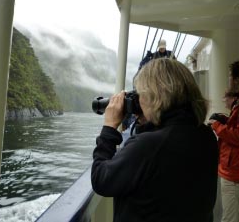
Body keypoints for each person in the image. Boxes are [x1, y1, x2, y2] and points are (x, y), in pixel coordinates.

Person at [91, 59, 219, 222]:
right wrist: (148, 120)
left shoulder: (147, 146)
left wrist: (109, 128)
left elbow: (101, 180)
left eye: (141, 94)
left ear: (154, 96)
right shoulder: (206, 135)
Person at [209, 61, 239, 222]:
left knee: (230, 217)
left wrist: (217, 125)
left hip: (234, 172)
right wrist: (226, 120)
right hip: (232, 170)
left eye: (230, 76)